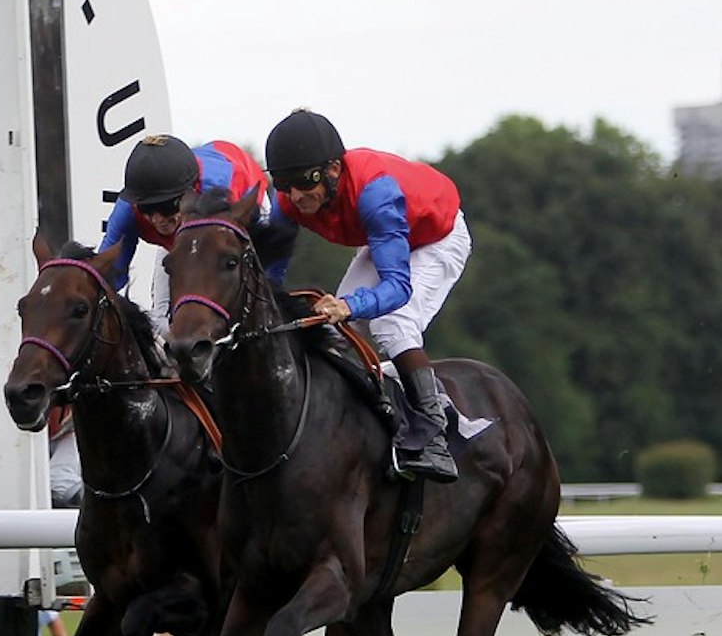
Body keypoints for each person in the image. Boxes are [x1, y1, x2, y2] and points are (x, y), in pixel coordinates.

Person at [262, 108, 471, 483]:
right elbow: (270, 275)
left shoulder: (376, 194)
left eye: (305, 180)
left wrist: (348, 305)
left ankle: (432, 434)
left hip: (438, 238)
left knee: (392, 322)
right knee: (335, 332)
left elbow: (397, 286)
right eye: (283, 182)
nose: (295, 194)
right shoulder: (288, 202)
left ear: (333, 170)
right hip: (391, 239)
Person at [97, 133, 298, 323]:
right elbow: (106, 278)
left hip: (244, 201)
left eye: (167, 207)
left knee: (255, 293)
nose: (158, 219)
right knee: (161, 318)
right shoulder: (126, 211)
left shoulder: (217, 188)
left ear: (192, 191)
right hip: (188, 231)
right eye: (148, 209)